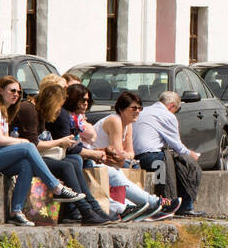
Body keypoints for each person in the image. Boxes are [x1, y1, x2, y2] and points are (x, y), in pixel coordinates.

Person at [0, 75, 85, 227]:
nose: (16, 94)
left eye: (18, 92)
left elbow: (3, 141)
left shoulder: (4, 110)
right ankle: (56, 187)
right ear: (0, 91)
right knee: (28, 146)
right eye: (12, 90)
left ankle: (16, 211)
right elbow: (0, 139)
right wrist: (23, 141)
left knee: (26, 164)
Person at [12, 76, 113, 226]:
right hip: (26, 158)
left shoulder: (38, 112)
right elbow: (33, 144)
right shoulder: (29, 110)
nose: (60, 111)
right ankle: (85, 211)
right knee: (67, 165)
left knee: (73, 161)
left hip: (37, 156)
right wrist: (61, 142)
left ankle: (93, 208)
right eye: (59, 106)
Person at [88, 90, 177, 220]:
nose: (138, 111)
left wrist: (123, 155)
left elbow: (130, 153)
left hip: (106, 162)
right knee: (118, 171)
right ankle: (155, 203)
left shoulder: (128, 125)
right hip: (94, 161)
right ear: (122, 109)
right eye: (134, 108)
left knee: (125, 167)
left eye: (140, 108)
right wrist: (123, 155)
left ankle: (148, 210)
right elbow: (118, 154)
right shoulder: (115, 120)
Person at [134, 91, 202, 216]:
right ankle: (184, 206)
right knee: (184, 164)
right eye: (176, 109)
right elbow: (178, 146)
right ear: (171, 106)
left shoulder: (144, 111)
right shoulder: (167, 116)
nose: (175, 112)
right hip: (153, 158)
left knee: (171, 161)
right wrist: (192, 155)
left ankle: (178, 205)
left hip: (136, 157)